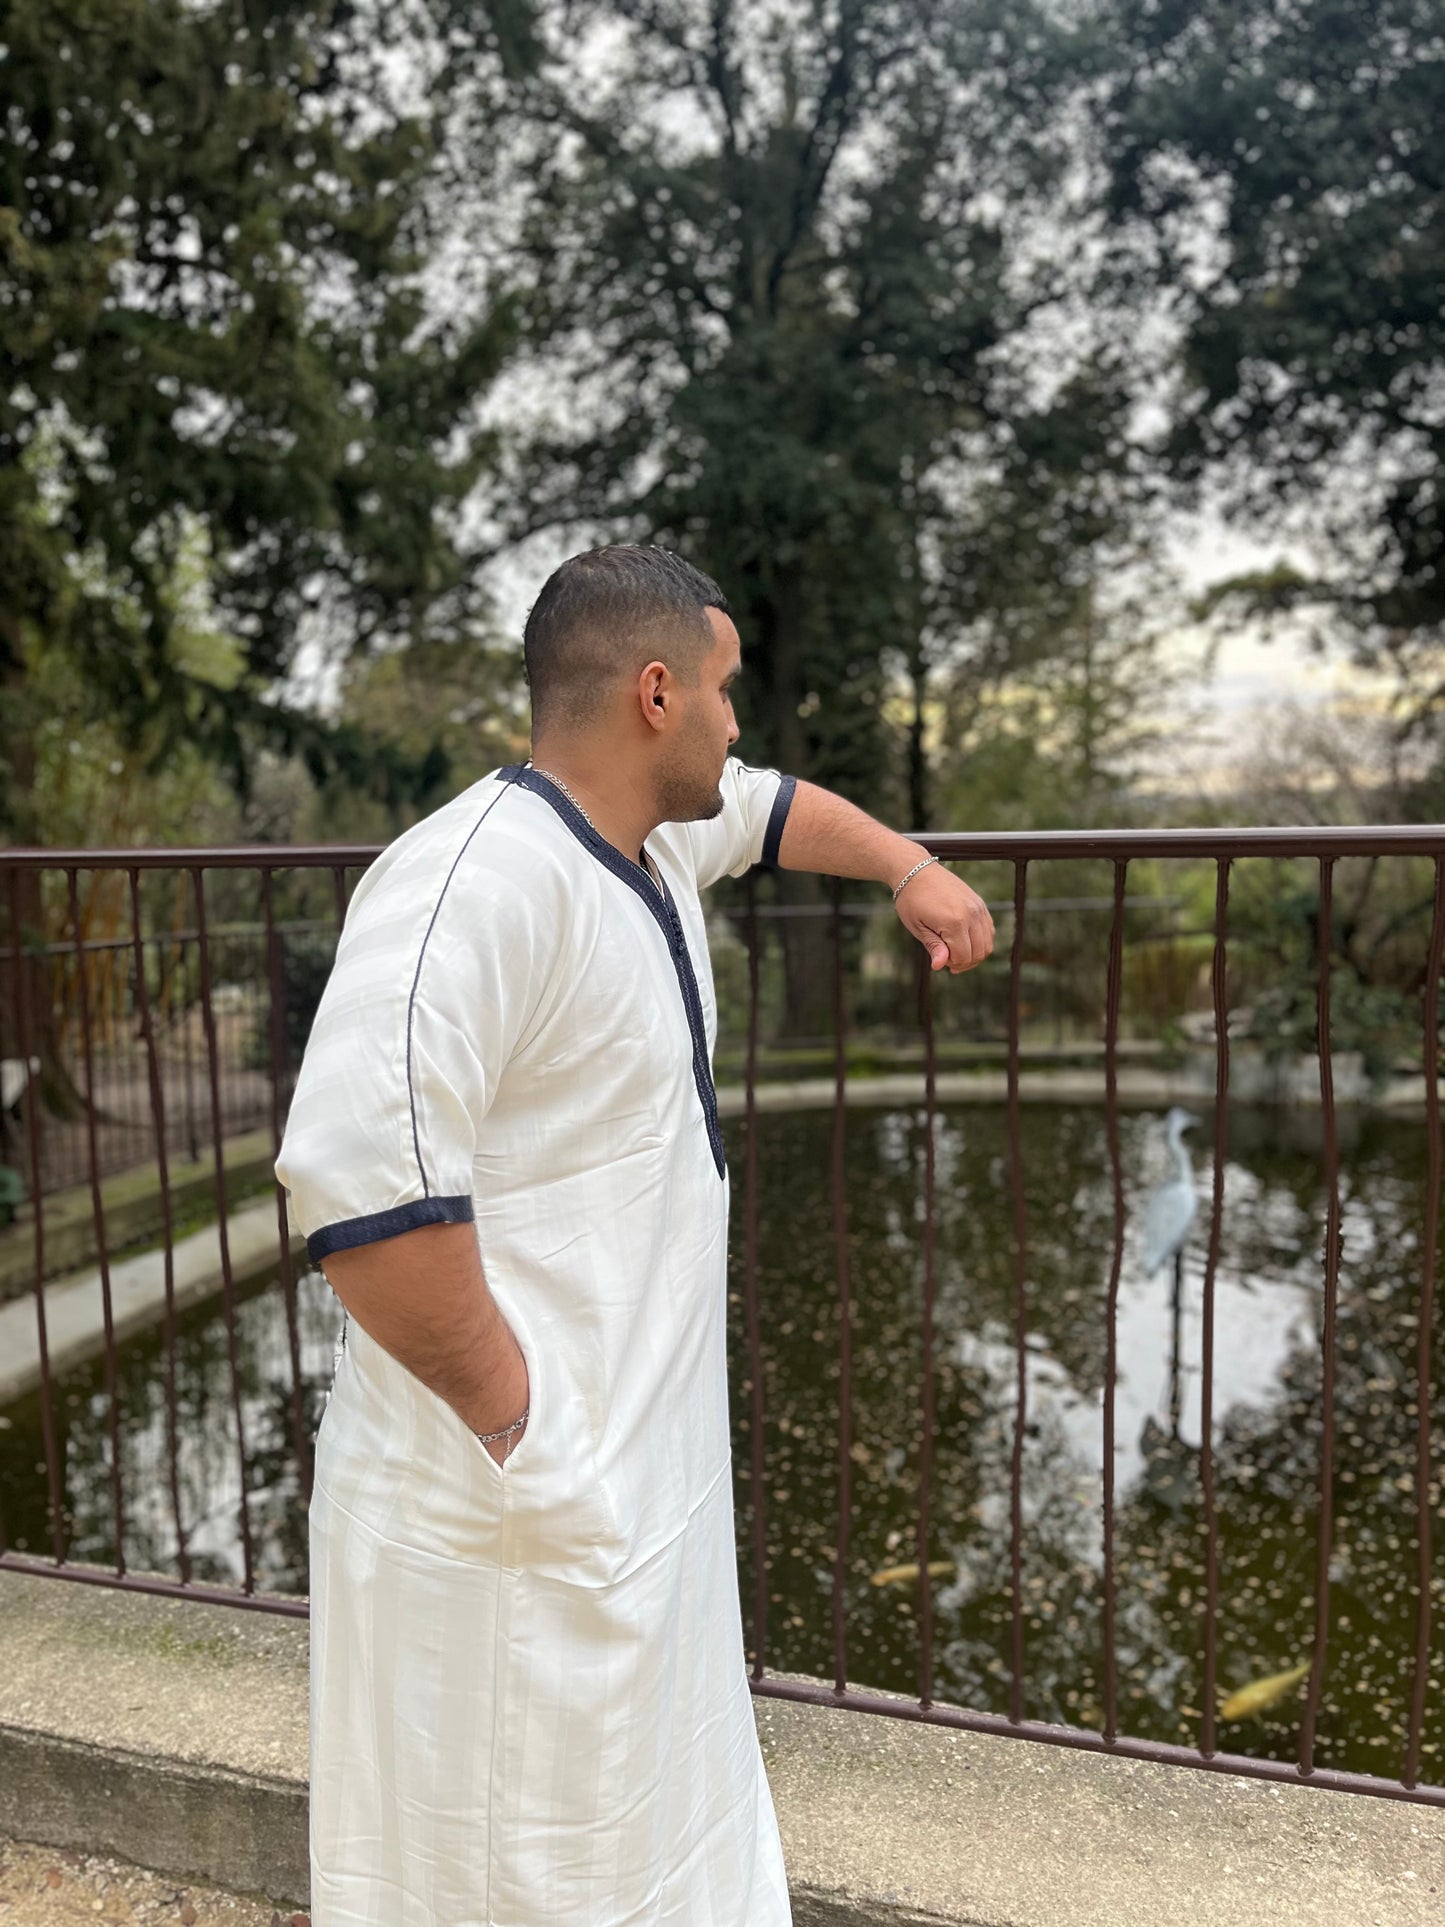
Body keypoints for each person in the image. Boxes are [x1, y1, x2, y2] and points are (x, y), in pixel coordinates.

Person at [275, 545, 995, 1926]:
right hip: (504, 1502)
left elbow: (778, 812)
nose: (739, 723)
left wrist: (910, 869)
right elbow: (362, 1199)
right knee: (503, 1852)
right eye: (725, 693)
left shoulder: (649, 842)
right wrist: (523, 1433)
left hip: (623, 1481)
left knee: (628, 1825)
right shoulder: (470, 888)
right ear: (656, 694)